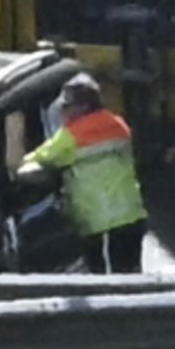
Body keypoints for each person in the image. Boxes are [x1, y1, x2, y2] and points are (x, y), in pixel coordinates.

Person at [17, 71, 149, 272]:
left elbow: (35, 159)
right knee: (131, 277)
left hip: (102, 223)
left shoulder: (72, 135)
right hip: (132, 215)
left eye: (67, 106)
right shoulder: (118, 124)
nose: (64, 112)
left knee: (107, 286)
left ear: (84, 107)